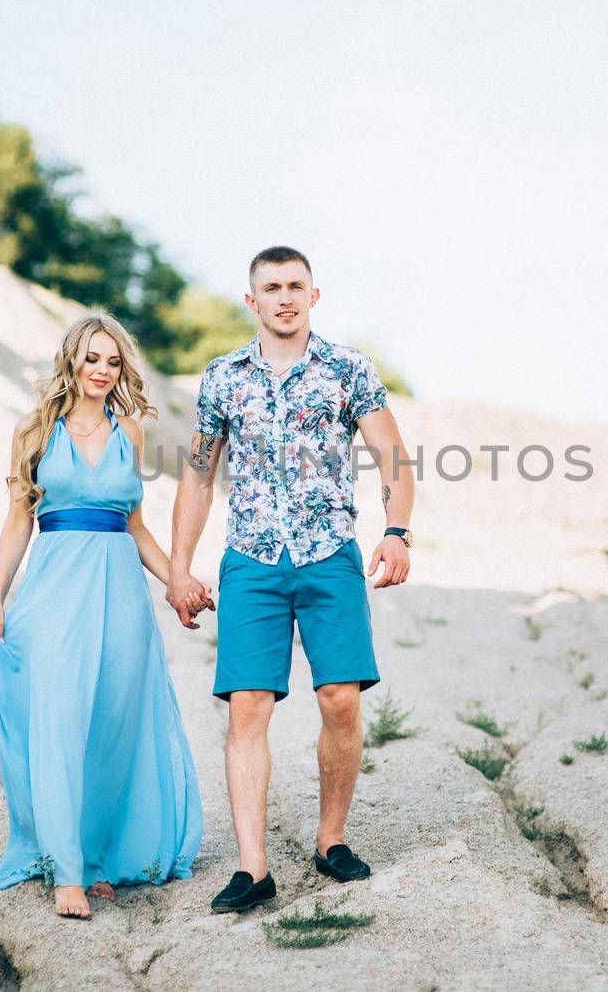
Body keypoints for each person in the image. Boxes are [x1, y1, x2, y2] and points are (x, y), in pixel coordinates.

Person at [167, 245, 417, 914]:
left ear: (314, 295)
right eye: (271, 287)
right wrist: (178, 565)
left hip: (329, 555)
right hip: (251, 559)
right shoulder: (222, 377)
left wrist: (396, 531)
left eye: (295, 286)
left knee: (340, 698)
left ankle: (331, 839)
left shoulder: (347, 370)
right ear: (252, 300)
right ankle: (253, 868)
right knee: (248, 705)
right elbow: (197, 474)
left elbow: (393, 457)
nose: (284, 297)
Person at [0, 312, 210, 919]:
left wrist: (179, 581)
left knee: (110, 725)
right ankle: (66, 871)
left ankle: (99, 857)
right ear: (71, 361)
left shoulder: (130, 433)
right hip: (54, 591)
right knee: (58, 718)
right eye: (92, 359)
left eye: (113, 361)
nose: (103, 371)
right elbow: (17, 520)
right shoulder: (33, 431)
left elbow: (135, 526)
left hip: (120, 595)